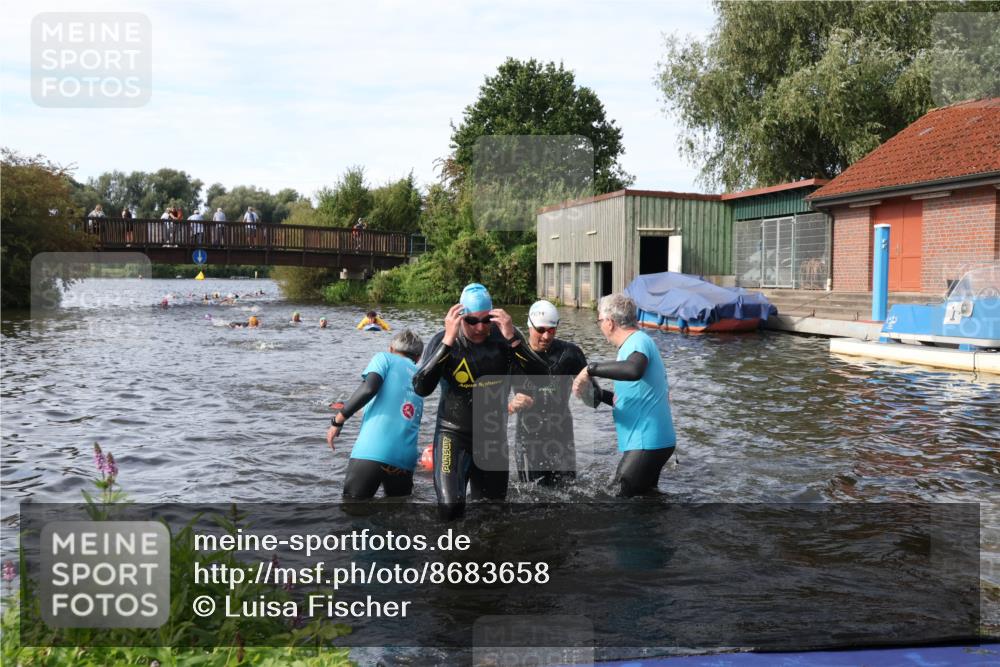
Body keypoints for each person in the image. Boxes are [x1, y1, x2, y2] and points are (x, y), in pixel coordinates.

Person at [412, 283, 547, 520]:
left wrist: (515, 340)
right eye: (472, 321)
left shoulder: (505, 338)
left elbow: (543, 378)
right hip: (453, 435)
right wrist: (448, 342)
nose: (480, 327)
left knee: (492, 513)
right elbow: (421, 387)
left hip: (492, 439)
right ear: (459, 317)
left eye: (487, 320)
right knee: (450, 509)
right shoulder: (443, 340)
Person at [572, 293, 676, 497]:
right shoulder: (633, 345)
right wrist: (598, 394)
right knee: (645, 502)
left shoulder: (637, 342)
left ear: (609, 323)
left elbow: (633, 370)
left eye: (599, 320)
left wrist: (590, 369)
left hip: (647, 442)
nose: (600, 325)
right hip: (652, 442)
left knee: (621, 503)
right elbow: (630, 399)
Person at [327, 330, 425, 499]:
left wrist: (338, 420)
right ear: (418, 357)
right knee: (398, 516)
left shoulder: (384, 358)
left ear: (391, 349)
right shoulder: (421, 375)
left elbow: (369, 388)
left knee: (353, 511)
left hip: (373, 451)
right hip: (406, 458)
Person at [508, 300, 589, 486]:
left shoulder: (570, 354)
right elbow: (488, 401)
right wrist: (511, 405)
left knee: (570, 494)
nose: (546, 336)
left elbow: (593, 400)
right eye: (540, 329)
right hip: (528, 437)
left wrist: (587, 388)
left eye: (551, 330)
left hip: (562, 433)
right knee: (531, 496)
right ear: (529, 325)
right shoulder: (512, 356)